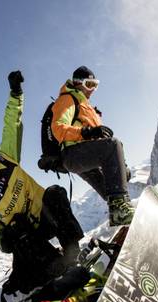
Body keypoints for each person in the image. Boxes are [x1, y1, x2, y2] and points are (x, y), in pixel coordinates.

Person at [0, 70, 84, 294]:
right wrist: (7, 239)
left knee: (54, 192)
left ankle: (73, 254)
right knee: (19, 232)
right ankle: (57, 268)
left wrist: (16, 93)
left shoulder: (5, 162)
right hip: (30, 239)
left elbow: (11, 125)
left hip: (48, 216)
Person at [50, 65, 135, 226]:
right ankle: (120, 212)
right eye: (89, 84)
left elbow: (98, 143)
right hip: (73, 154)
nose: (93, 89)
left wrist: (121, 166)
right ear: (77, 83)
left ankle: (126, 225)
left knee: (111, 192)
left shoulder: (87, 107)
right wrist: (87, 132)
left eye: (95, 85)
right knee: (113, 145)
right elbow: (58, 128)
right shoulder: (67, 99)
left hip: (85, 158)